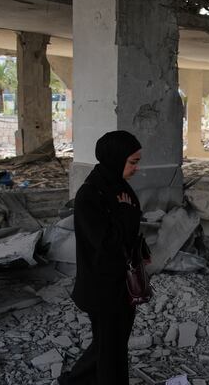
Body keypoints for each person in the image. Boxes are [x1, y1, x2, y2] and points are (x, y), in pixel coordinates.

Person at [60, 130, 144, 385]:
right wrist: (127, 218)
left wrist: (139, 244)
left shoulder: (118, 187)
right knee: (111, 349)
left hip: (122, 282)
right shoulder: (90, 195)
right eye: (133, 162)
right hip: (102, 285)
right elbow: (105, 243)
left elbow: (130, 230)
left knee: (111, 343)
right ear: (115, 159)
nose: (136, 169)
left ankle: (73, 381)